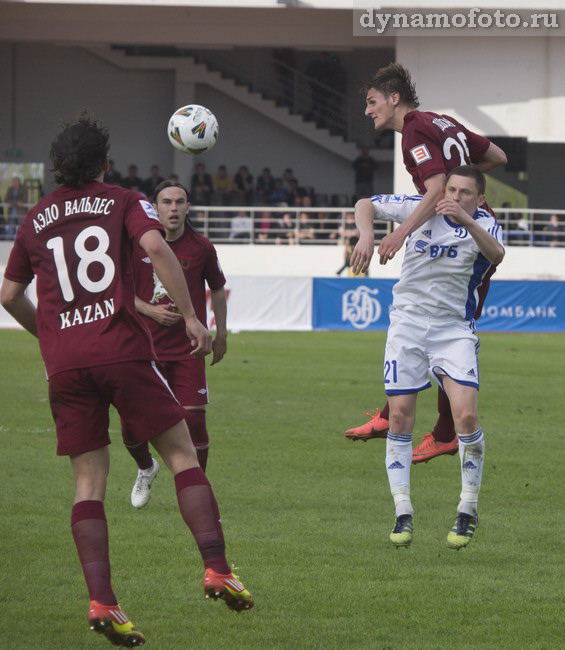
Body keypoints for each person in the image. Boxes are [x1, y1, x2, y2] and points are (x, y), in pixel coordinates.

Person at [0, 112, 253, 648]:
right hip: (119, 349)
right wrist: (190, 318)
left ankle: (103, 602)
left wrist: (49, 339)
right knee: (183, 454)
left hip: (64, 364)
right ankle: (217, 569)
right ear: (104, 162)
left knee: (88, 484)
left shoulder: (35, 218)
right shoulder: (121, 199)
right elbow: (157, 249)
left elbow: (7, 294)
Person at [345, 62, 507, 463]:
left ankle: (445, 433)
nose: (368, 111)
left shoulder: (415, 128)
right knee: (426, 322)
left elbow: (434, 188)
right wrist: (465, 186)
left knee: (450, 330)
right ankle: (392, 415)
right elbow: (497, 157)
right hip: (460, 226)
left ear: (394, 98)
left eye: (372, 101)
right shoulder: (442, 121)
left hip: (468, 237)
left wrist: (401, 232)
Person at [355, 165, 504, 549]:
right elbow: (364, 203)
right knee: (401, 417)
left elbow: (497, 254)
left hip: (451, 329)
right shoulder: (421, 208)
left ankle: (467, 510)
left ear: (480, 198)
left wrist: (467, 221)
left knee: (466, 415)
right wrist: (367, 234)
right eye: (450, 189)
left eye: (465, 192)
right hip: (406, 325)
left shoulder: (484, 224)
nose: (453, 197)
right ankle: (403, 512)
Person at [124, 180, 228, 507]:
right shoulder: (135, 245)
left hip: (187, 350)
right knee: (131, 427)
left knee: (195, 419)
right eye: (166, 202)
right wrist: (149, 310)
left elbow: (218, 288)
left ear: (187, 207)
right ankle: (146, 467)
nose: (173, 208)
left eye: (179, 201)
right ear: (154, 207)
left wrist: (221, 332)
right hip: (143, 349)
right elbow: (117, 290)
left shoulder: (201, 247)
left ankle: (199, 493)